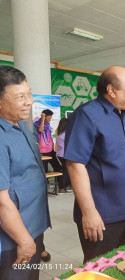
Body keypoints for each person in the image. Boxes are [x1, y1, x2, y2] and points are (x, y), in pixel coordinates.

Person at [64, 65, 125, 263]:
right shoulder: (87, 115)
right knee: (100, 266)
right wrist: (89, 212)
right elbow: (75, 165)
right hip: (103, 214)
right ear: (111, 90)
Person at [0, 66, 51, 280]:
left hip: (32, 226)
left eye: (29, 93)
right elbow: (1, 200)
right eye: (20, 97)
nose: (29, 101)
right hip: (13, 239)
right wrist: (23, 240)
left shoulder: (22, 126)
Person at [34, 109, 62, 174]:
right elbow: (40, 130)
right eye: (49, 118)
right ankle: (46, 183)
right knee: (44, 169)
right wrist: (43, 119)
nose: (50, 119)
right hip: (43, 151)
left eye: (51, 118)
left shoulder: (48, 123)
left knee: (57, 167)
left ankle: (59, 182)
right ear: (44, 117)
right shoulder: (37, 123)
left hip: (50, 149)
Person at [56, 118, 72, 194]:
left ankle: (66, 186)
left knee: (65, 171)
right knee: (65, 172)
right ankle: (62, 188)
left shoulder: (59, 133)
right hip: (64, 154)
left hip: (60, 154)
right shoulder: (65, 134)